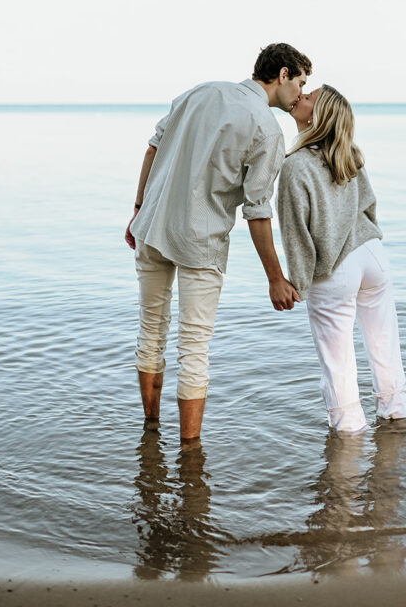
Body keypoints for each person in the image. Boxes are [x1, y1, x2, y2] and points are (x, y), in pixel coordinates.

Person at [125, 43, 312, 445]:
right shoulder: (266, 128)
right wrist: (276, 279)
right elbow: (258, 211)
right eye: (299, 81)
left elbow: (152, 148)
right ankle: (190, 452)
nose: (300, 93)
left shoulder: (201, 91)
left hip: (152, 225)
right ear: (282, 74)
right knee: (193, 347)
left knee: (150, 330)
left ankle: (151, 431)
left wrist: (138, 208)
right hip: (199, 239)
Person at [277, 85, 406, 433]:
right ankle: (396, 420)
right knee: (385, 347)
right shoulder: (350, 154)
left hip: (336, 266)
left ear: (318, 116)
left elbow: (296, 235)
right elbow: (369, 205)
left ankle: (347, 447)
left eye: (309, 97)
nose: (300, 98)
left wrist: (299, 282)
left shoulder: (295, 166)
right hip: (372, 254)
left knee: (338, 364)